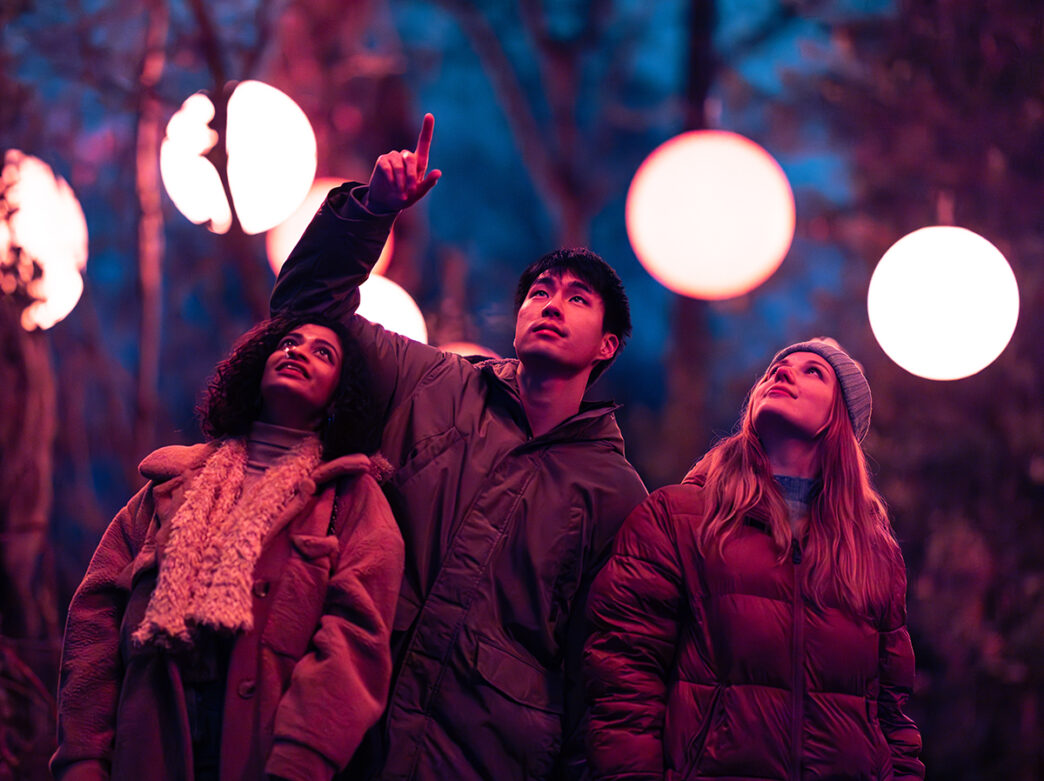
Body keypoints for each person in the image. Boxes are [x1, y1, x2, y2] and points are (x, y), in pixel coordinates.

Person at [270, 115, 648, 780]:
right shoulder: (430, 381)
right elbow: (306, 310)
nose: (551, 305)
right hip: (341, 739)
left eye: (577, 298)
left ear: (607, 345)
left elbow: (600, 669)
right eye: (539, 292)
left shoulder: (615, 493)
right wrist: (372, 209)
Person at [51, 313, 405, 781]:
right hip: (148, 741)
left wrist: (303, 758)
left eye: (323, 353)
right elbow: (95, 615)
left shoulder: (348, 500)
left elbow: (355, 639)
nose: (297, 351)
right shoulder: (170, 485)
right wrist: (84, 757)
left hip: (264, 750)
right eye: (289, 343)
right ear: (257, 368)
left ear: (339, 396)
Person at [584, 338, 924, 780]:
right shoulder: (678, 518)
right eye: (776, 367)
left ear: (839, 420)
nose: (781, 373)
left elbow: (891, 715)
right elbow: (622, 680)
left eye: (813, 372)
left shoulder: (874, 554)